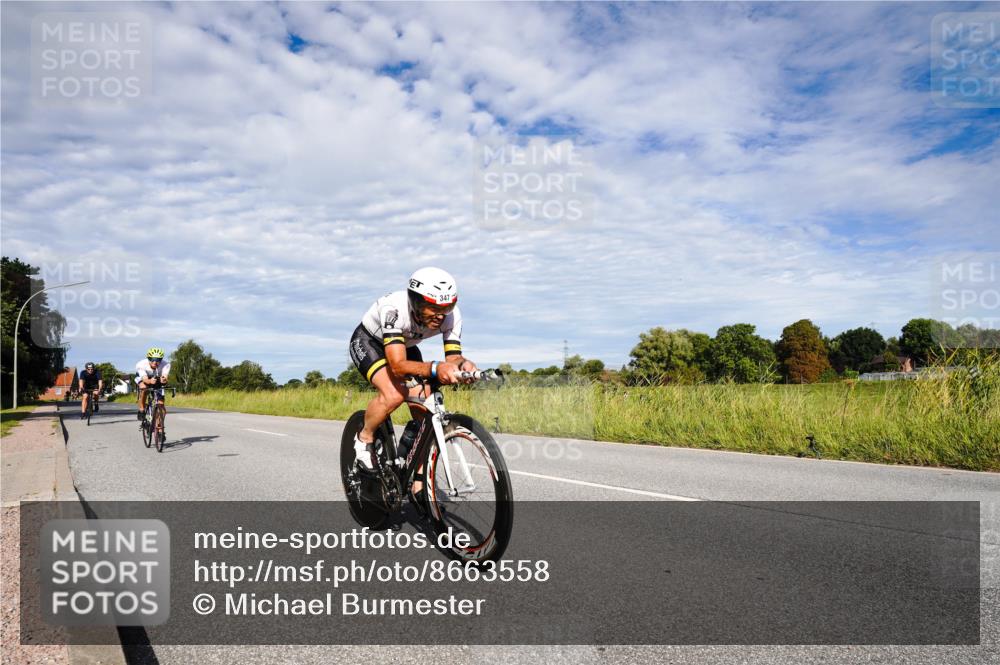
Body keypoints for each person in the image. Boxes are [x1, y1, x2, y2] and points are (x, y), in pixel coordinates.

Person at [349, 268, 478, 493]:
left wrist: (462, 365)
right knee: (394, 394)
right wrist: (437, 369)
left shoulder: (452, 315)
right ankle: (364, 438)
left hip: (406, 347)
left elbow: (454, 357)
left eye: (446, 307)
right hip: (370, 343)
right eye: (434, 308)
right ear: (416, 302)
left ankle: (418, 481)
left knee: (425, 414)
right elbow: (397, 365)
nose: (441, 314)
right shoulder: (394, 309)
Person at [135, 347, 171, 428]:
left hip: (156, 377)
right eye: (152, 359)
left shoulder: (166, 364)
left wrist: (163, 380)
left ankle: (159, 428)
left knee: (161, 405)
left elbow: (165, 377)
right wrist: (150, 381)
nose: (155, 362)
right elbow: (145, 379)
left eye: (158, 360)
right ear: (148, 359)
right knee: (144, 387)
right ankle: (141, 409)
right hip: (143, 378)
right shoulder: (141, 364)